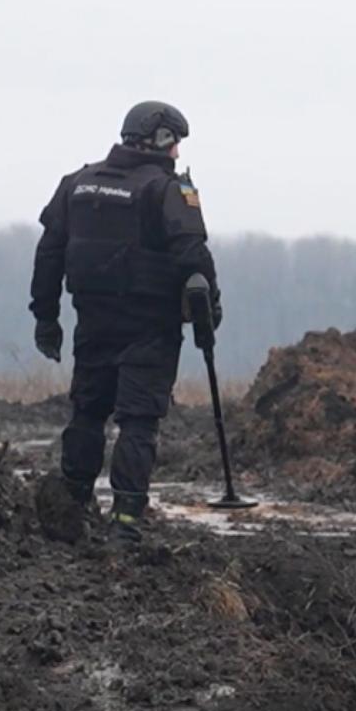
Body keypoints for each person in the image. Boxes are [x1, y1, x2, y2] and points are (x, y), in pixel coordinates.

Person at [29, 100, 220, 543]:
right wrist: (213, 309)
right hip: (150, 327)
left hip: (93, 322)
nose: (177, 155)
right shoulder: (168, 191)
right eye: (176, 145)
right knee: (138, 421)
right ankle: (127, 523)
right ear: (161, 140)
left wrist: (46, 317)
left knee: (88, 411)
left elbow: (49, 253)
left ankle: (72, 504)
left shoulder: (76, 184)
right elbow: (194, 257)